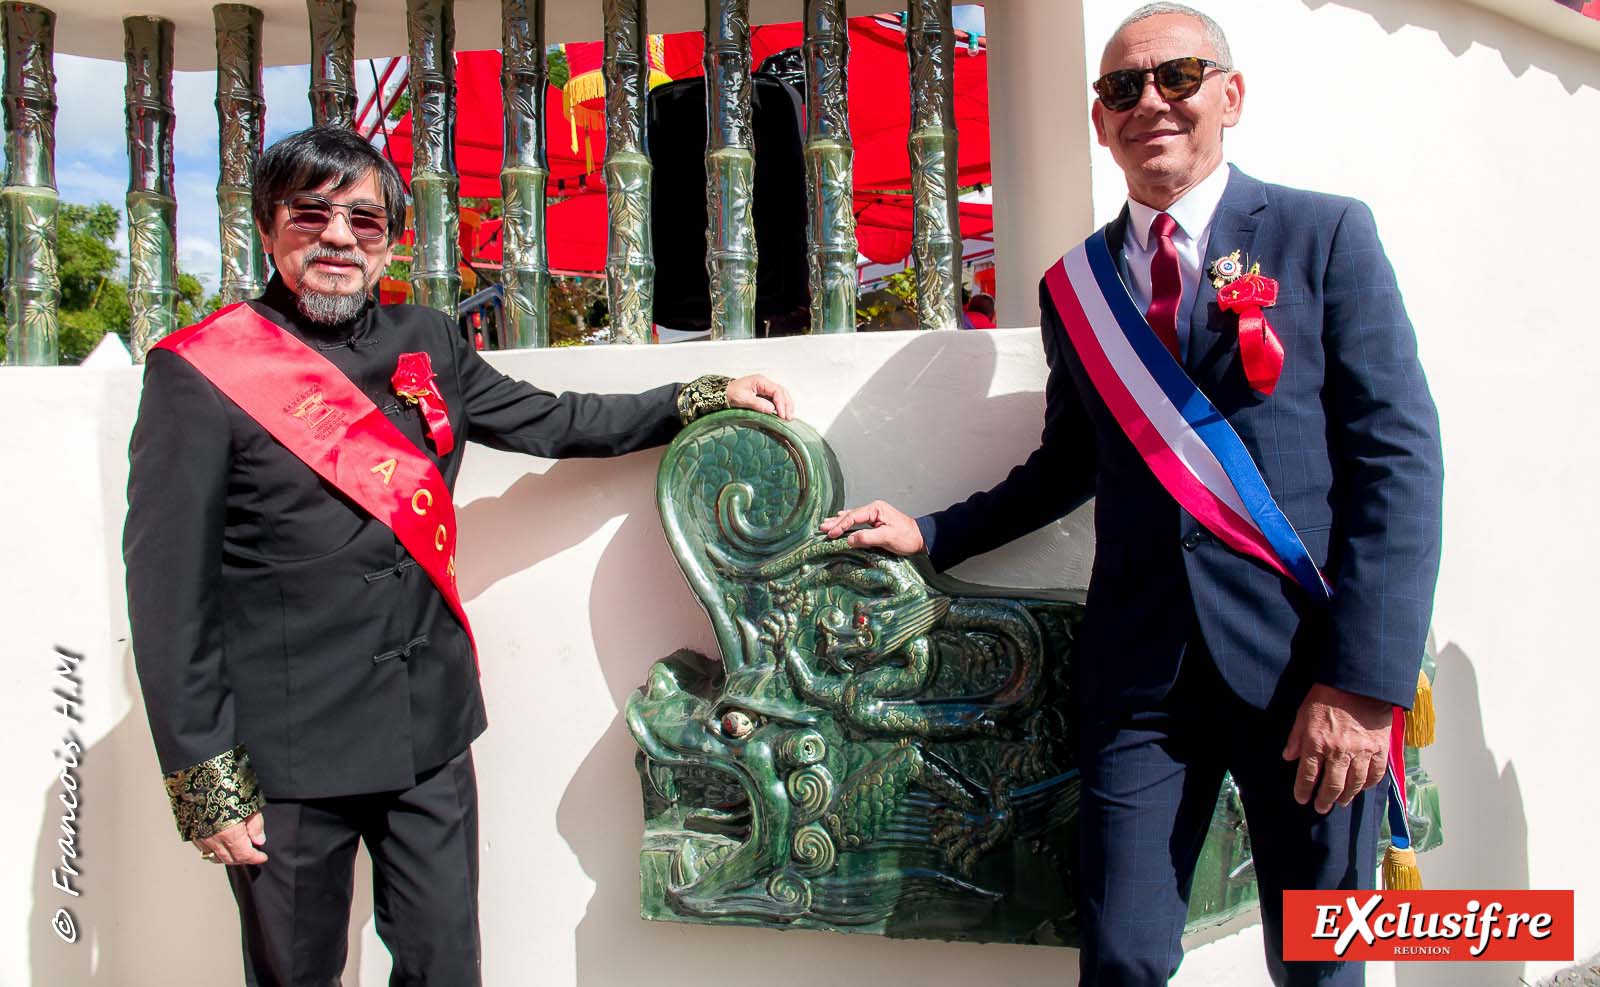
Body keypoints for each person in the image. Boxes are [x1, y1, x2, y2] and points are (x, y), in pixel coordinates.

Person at [820, 5, 1442, 985]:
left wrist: (1363, 685)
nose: (1151, 101)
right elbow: (1070, 465)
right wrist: (932, 529)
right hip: (1143, 682)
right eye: (1123, 87)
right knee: (1121, 958)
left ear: (1229, 96)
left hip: (1304, 672)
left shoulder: (1324, 234)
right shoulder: (1075, 287)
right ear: (1100, 120)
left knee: (1321, 964)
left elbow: (1397, 462)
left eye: (1178, 77)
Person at [123, 126, 793, 986]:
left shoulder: (429, 339)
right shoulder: (202, 371)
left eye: (366, 221)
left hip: (427, 727)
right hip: (284, 751)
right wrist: (204, 775)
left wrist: (695, 396)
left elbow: (553, 420)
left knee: (447, 965)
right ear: (267, 226)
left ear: (391, 241)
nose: (339, 238)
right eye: (312, 214)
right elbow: (167, 595)